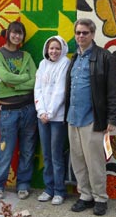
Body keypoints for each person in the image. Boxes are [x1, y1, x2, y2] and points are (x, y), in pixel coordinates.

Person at [64, 18, 116, 216]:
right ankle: (85, 196)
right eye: (78, 33)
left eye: (85, 33)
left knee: (95, 162)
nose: (80, 36)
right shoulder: (74, 58)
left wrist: (112, 119)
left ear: (93, 34)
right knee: (78, 161)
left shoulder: (105, 57)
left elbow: (112, 91)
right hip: (73, 118)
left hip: (93, 119)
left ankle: (100, 198)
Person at [0, 21, 38, 200]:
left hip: (29, 109)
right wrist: (23, 80)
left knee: (27, 149)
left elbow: (35, 80)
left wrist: (14, 85)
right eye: (14, 33)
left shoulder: (26, 56)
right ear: (8, 33)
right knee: (6, 149)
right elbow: (3, 76)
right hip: (9, 111)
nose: (17, 36)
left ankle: (23, 185)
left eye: (20, 34)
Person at [34, 36, 70, 205]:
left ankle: (59, 191)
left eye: (57, 48)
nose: (54, 51)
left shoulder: (65, 63)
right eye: (51, 48)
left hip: (57, 118)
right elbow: (38, 89)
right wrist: (41, 111)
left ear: (62, 49)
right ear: (47, 49)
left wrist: (50, 112)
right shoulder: (42, 65)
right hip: (42, 117)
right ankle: (48, 189)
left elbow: (60, 90)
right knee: (46, 155)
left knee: (56, 155)